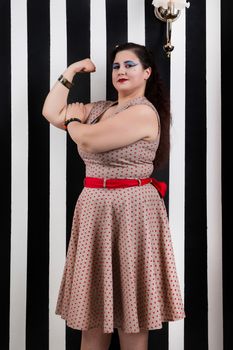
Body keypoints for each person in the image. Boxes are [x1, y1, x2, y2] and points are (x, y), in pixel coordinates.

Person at [42, 42, 185, 350]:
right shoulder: (102, 109)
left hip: (133, 211)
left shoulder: (144, 114)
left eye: (130, 65)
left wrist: (75, 122)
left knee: (132, 321)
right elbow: (51, 111)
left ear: (146, 73)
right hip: (95, 211)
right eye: (116, 66)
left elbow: (88, 141)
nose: (121, 71)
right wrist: (71, 72)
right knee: (94, 318)